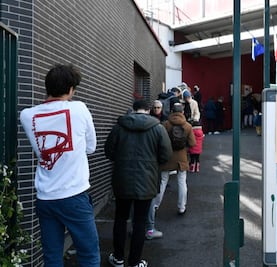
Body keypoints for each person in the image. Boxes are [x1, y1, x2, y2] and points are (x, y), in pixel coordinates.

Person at [19, 64, 100, 266]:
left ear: (47, 87)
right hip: (74, 195)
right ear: (71, 89)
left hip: (45, 197)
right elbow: (91, 147)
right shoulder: (79, 109)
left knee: (52, 256)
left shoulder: (27, 115)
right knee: (88, 253)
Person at [105, 99, 173, 267]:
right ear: (149, 110)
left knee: (120, 218)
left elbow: (109, 152)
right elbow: (166, 155)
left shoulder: (119, 127)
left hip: (122, 180)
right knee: (140, 221)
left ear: (133, 110)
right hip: (147, 180)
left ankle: (118, 258)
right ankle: (135, 261)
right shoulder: (158, 128)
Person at [146, 103, 196, 239]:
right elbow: (192, 144)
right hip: (181, 158)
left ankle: (155, 206)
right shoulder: (187, 126)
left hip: (167, 158)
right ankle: (181, 207)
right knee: (182, 182)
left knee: (162, 182)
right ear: (182, 112)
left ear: (172, 111)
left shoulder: (165, 124)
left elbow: (159, 142)